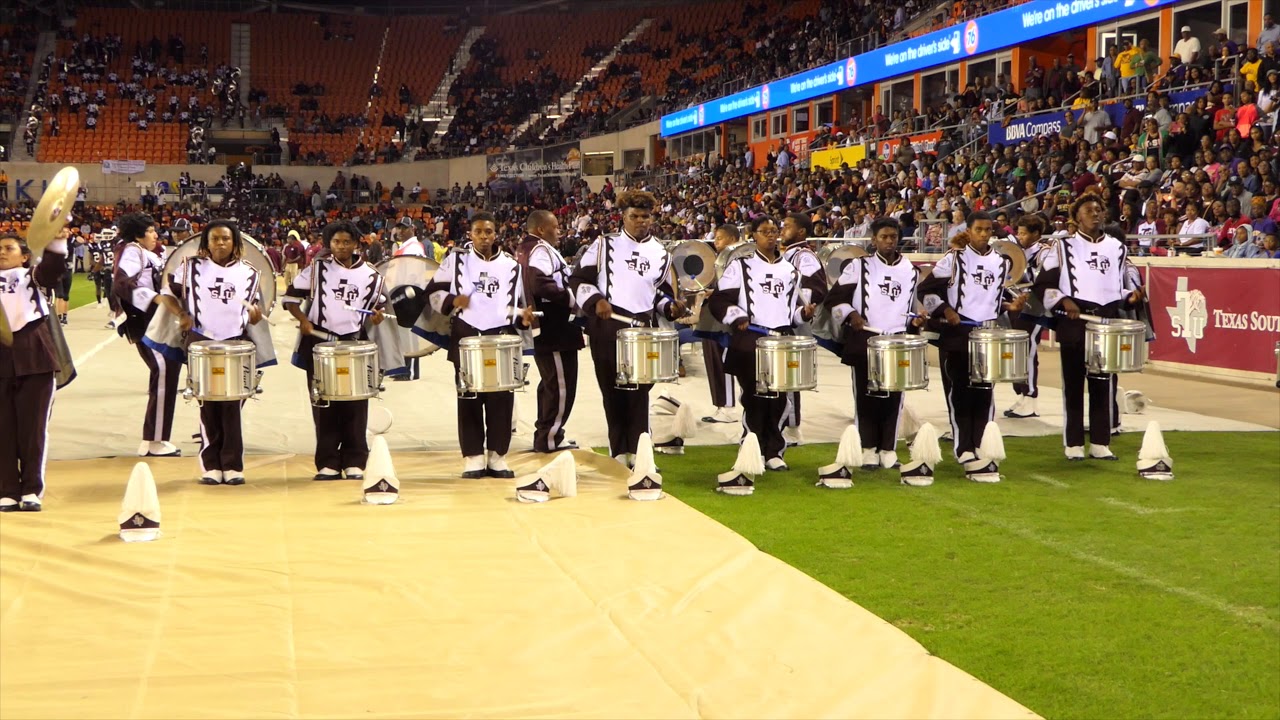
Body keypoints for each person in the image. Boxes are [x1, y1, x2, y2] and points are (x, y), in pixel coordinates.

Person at [568, 189, 686, 467]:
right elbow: (577, 280)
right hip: (607, 326)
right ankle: (619, 451)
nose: (640, 221)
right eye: (634, 216)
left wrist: (670, 308)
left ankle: (641, 450)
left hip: (643, 327)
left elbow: (661, 295)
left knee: (640, 391)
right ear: (623, 216)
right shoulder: (603, 244)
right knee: (612, 391)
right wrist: (595, 301)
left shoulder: (661, 252)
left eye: (645, 216)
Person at [1034, 193, 1145, 460]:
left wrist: (1130, 297)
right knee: (1073, 384)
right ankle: (1073, 444)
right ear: (1076, 217)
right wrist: (1064, 301)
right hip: (1074, 322)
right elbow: (1042, 286)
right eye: (1088, 210)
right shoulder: (1061, 247)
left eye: (1098, 209)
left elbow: (1117, 287)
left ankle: (1100, 443)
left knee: (1102, 383)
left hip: (1104, 322)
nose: (1095, 214)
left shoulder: (1117, 248)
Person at [918, 211, 1025, 481]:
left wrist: (1010, 306)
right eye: (979, 229)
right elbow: (926, 291)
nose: (984, 234)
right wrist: (945, 310)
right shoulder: (952, 259)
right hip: (957, 334)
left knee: (985, 392)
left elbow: (991, 299)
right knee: (960, 394)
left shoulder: (1001, 262)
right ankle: (963, 446)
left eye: (988, 230)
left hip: (987, 334)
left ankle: (982, 442)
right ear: (970, 230)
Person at [155, 220, 264, 485]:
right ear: (206, 242)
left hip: (236, 342)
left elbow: (256, 311)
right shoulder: (190, 268)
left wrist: (256, 315)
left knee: (232, 404)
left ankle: (233, 465)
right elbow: (166, 295)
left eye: (226, 239)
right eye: (215, 239)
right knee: (207, 403)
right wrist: (181, 313)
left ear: (235, 242)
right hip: (201, 341)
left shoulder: (249, 273)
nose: (220, 243)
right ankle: (211, 465)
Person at [427, 211, 534, 477]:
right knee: (469, 398)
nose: (484, 237)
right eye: (479, 232)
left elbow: (516, 307)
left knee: (501, 400)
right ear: (470, 234)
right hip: (467, 335)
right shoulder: (455, 260)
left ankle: (497, 456)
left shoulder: (511, 265)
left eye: (489, 232)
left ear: (496, 234)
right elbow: (433, 293)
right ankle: (473, 456)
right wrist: (453, 301)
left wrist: (524, 318)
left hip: (501, 337)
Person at [707, 216, 815, 472]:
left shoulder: (790, 270)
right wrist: (737, 317)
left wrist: (804, 314)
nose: (770, 235)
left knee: (778, 399)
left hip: (781, 338)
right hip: (751, 340)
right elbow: (719, 301)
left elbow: (792, 313)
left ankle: (774, 452)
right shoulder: (740, 267)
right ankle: (752, 447)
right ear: (753, 235)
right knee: (754, 398)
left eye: (774, 231)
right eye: (764, 231)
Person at [283, 220, 387, 480]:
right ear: (328, 244)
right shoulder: (317, 269)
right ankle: (328, 462)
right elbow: (290, 299)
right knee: (323, 402)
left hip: (354, 343)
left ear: (356, 244)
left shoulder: (371, 274)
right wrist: (303, 319)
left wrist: (377, 316)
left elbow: (378, 308)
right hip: (319, 343)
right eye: (336, 242)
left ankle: (355, 460)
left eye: (346, 242)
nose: (341, 247)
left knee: (355, 402)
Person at [826, 217, 924, 470]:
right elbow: (835, 299)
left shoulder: (910, 270)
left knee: (894, 396)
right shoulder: (858, 267)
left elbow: (913, 308)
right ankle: (868, 448)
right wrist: (851, 315)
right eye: (884, 237)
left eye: (893, 237)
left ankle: (889, 449)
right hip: (866, 340)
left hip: (898, 340)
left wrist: (917, 321)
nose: (889, 241)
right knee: (866, 397)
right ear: (873, 240)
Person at [0, 231, 71, 512]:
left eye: (8, 248)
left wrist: (57, 242)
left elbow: (53, 270)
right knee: (3, 430)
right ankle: (6, 489)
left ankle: (31, 488)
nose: (2, 252)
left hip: (35, 360)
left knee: (33, 430)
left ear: (24, 255)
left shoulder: (33, 277)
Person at [113, 213, 183, 457]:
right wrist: (153, 297)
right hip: (144, 321)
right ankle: (154, 440)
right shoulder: (133, 250)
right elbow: (121, 283)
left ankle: (155, 438)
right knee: (164, 371)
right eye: (152, 231)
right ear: (138, 234)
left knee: (167, 371)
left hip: (154, 321)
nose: (156, 235)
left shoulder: (149, 252)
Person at [517, 209, 583, 453]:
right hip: (555, 328)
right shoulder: (540, 249)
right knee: (561, 385)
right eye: (555, 227)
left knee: (550, 384)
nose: (559, 232)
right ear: (542, 229)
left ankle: (547, 433)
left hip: (547, 327)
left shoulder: (526, 248)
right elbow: (539, 282)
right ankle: (550, 438)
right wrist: (571, 299)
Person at [778, 211, 827, 445]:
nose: (782, 229)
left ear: (801, 232)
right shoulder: (787, 255)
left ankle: (792, 428)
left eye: (787, 226)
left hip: (794, 322)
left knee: (789, 375)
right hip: (785, 320)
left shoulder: (803, 255)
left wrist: (791, 303)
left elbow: (816, 288)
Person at [1005, 214, 1053, 419]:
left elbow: (1044, 278)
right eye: (1018, 232)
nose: (1020, 236)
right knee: (1017, 348)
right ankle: (1023, 394)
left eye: (1024, 233)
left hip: (1036, 305)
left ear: (1036, 234)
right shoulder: (1018, 252)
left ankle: (1032, 396)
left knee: (1029, 348)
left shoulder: (1044, 253)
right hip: (1019, 303)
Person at [701, 224, 740, 423]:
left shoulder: (741, 259)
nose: (716, 242)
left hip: (731, 319)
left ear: (733, 239)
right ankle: (722, 405)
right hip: (714, 317)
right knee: (714, 358)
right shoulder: (719, 260)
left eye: (720, 238)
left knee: (726, 360)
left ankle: (729, 407)